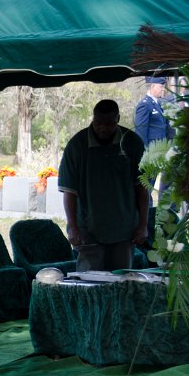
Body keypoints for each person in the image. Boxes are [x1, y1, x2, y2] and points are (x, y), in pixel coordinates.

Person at [59, 99, 148, 272]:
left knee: (120, 283)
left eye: (109, 124)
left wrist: (143, 225)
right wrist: (73, 227)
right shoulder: (77, 145)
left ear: (118, 119)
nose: (103, 128)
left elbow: (142, 189)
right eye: (98, 123)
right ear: (93, 118)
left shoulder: (132, 143)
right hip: (88, 229)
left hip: (124, 229)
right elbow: (69, 191)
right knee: (89, 285)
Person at [135, 76, 176, 205]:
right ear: (152, 86)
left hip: (160, 153)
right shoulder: (144, 105)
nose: (163, 89)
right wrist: (146, 154)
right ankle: (145, 216)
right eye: (160, 86)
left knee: (153, 187)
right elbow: (141, 132)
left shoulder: (158, 104)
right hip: (151, 155)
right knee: (146, 189)